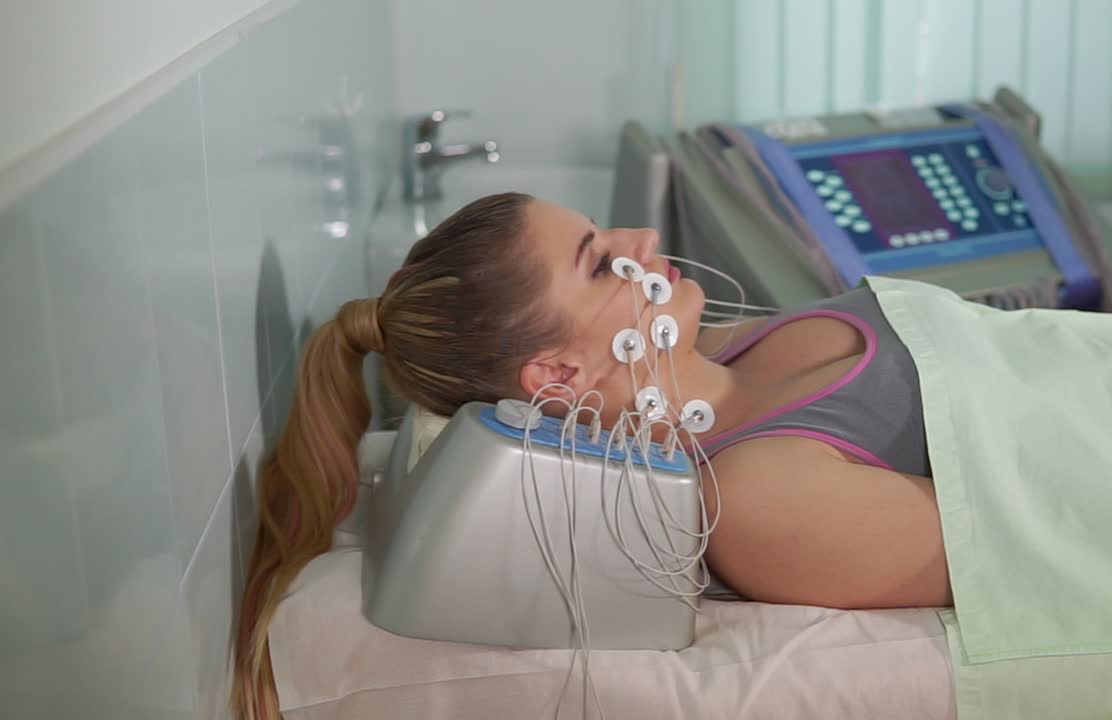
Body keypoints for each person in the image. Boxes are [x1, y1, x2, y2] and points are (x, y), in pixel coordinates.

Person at [233, 192, 951, 719]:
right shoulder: (759, 499)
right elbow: (1033, 529)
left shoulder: (742, 337)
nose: (641, 236)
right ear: (558, 377)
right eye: (603, 262)